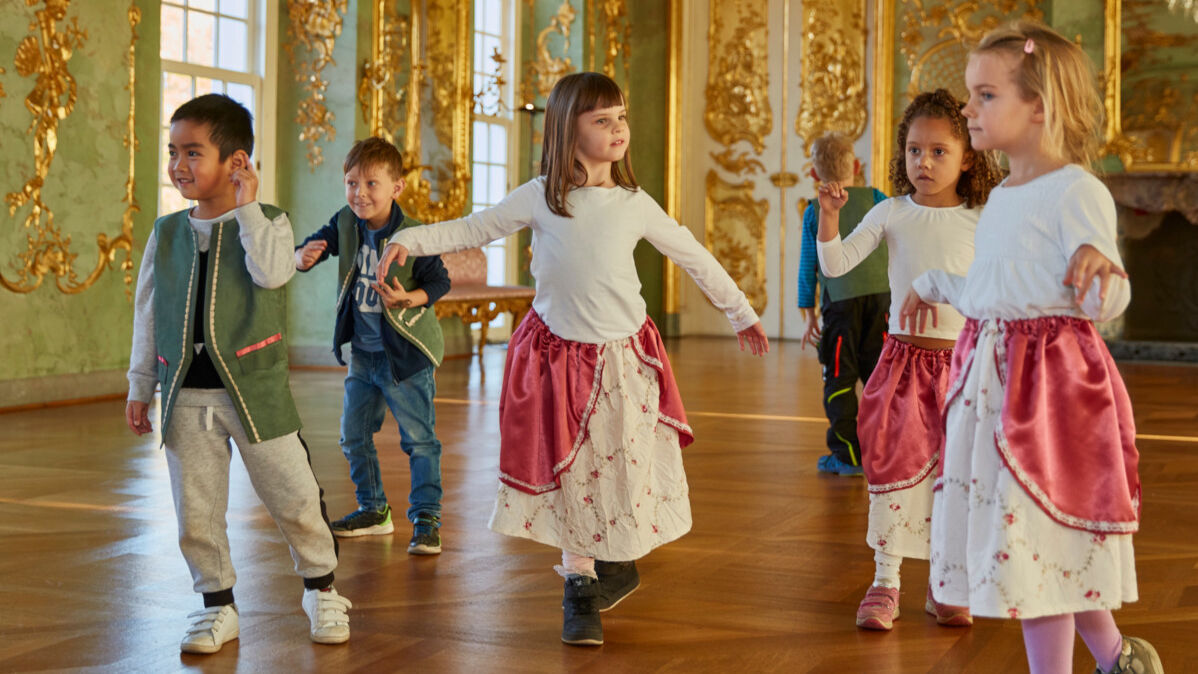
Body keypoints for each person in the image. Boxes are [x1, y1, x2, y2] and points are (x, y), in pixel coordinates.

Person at [375, 72, 769, 646]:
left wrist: (741, 312)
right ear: (567, 128)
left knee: (621, 464)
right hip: (557, 357)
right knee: (572, 470)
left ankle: (619, 559)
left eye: (622, 118)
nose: (618, 130)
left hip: (623, 360)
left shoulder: (635, 203)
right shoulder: (540, 196)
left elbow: (692, 253)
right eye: (602, 120)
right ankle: (579, 584)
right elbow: (475, 227)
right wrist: (411, 240)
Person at [900, 22, 1161, 674]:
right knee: (1034, 545)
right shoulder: (1004, 197)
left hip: (1045, 395)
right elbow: (995, 291)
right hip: (990, 384)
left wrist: (1103, 272)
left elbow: (1107, 298)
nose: (968, 109)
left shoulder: (1075, 190)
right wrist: (934, 282)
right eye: (970, 95)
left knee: (1032, 548)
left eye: (985, 95)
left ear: (1038, 107)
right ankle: (1119, 659)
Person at [125, 94, 350, 654]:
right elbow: (148, 312)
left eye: (193, 152)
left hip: (257, 393)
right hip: (187, 396)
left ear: (237, 161)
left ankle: (322, 589)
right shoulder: (167, 231)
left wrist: (249, 206)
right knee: (196, 513)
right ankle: (217, 606)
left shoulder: (269, 221)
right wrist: (140, 386)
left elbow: (273, 275)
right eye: (172, 151)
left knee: (294, 499)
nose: (178, 164)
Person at [817, 89, 1002, 631]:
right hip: (902, 364)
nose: (924, 162)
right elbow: (836, 265)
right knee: (894, 471)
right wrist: (828, 219)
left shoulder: (981, 219)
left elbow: (993, 289)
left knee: (958, 476)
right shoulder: (890, 211)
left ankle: (947, 584)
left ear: (967, 156)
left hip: (965, 368)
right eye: (914, 151)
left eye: (939, 151)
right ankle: (886, 581)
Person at [295, 137, 451, 555]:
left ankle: (426, 518)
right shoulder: (346, 222)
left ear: (396, 187)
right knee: (353, 436)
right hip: (363, 356)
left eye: (370, 184)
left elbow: (440, 282)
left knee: (419, 441)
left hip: (407, 357)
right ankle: (374, 509)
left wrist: (409, 299)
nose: (359, 194)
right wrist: (301, 257)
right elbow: (315, 245)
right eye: (351, 183)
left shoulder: (414, 233)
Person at [797, 132, 890, 477]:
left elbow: (810, 267)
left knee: (838, 379)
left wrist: (809, 316)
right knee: (879, 378)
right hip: (883, 302)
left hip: (839, 308)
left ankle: (847, 454)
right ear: (856, 166)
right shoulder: (879, 199)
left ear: (813, 175)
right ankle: (884, 452)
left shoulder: (814, 211)